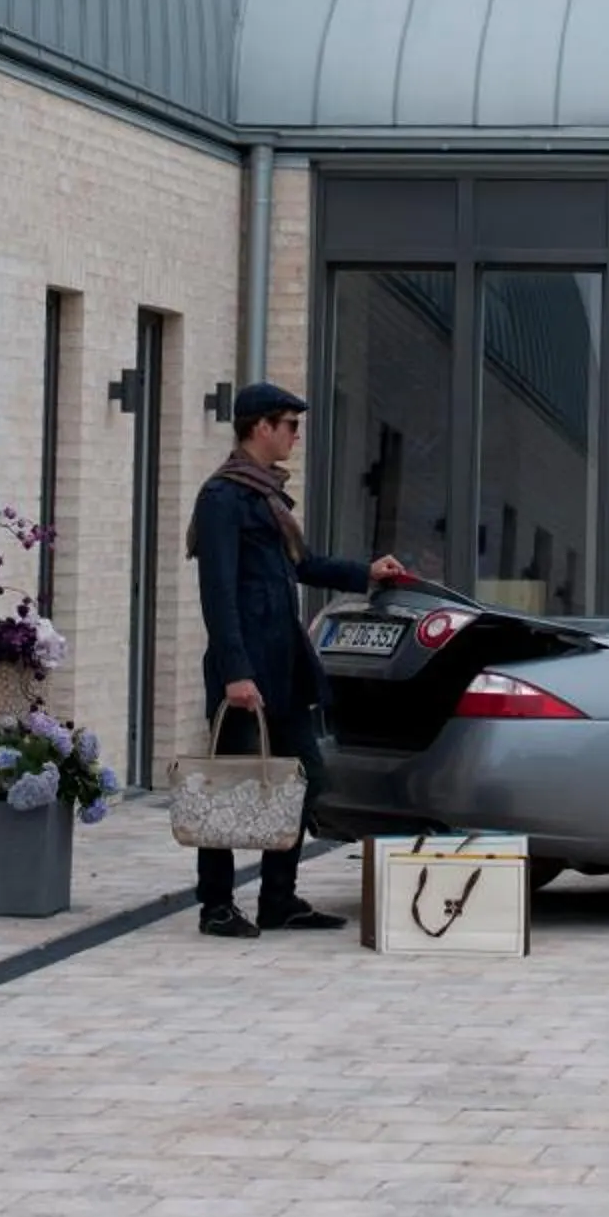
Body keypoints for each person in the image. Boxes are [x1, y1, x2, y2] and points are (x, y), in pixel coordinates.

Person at [187, 380, 412, 939]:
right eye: (289, 425)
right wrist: (236, 671)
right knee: (230, 785)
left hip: (283, 666)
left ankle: (278, 899)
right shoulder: (223, 498)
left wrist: (365, 573)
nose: (295, 435)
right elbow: (217, 592)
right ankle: (215, 905)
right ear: (261, 426)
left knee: (301, 778)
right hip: (247, 672)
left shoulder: (266, 496)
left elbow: (302, 565)